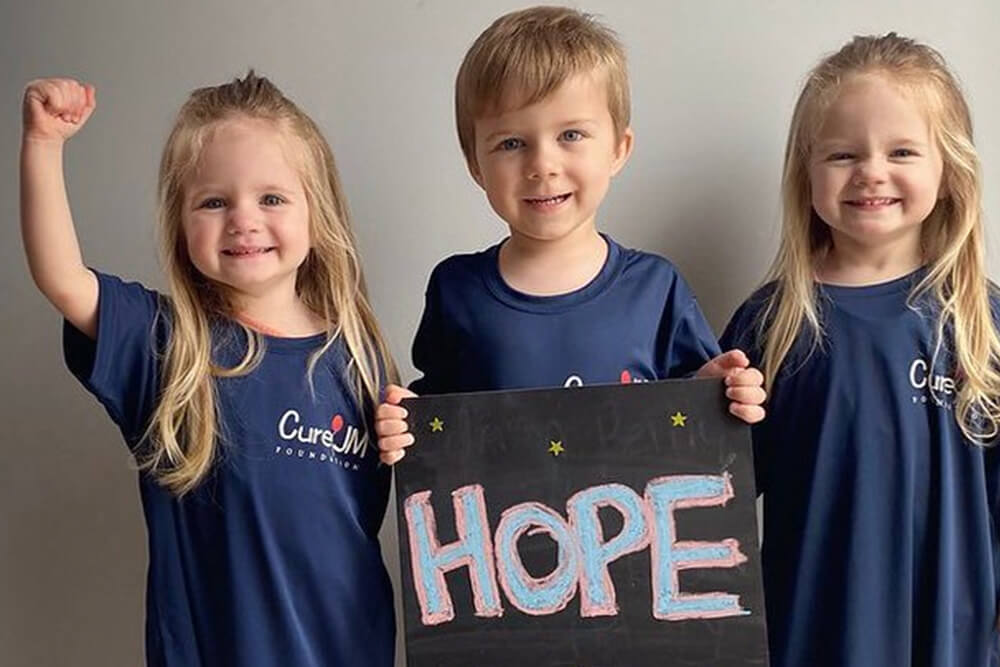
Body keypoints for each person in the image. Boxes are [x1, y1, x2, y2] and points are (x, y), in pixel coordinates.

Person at [20, 72, 397, 666]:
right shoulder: (165, 345)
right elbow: (63, 280)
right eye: (214, 201)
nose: (243, 219)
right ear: (181, 222)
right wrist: (44, 145)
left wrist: (410, 433)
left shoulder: (360, 357)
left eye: (271, 197)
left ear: (316, 213)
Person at [376, 6, 765, 465]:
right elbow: (437, 418)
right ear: (475, 164)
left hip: (632, 532)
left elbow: (693, 417)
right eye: (511, 143)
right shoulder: (455, 289)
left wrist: (721, 393)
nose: (543, 165)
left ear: (618, 149)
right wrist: (401, 425)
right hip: (509, 532)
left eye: (571, 135)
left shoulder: (656, 288)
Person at [721, 33, 1000, 667]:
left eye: (902, 150)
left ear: (949, 169)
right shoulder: (772, 323)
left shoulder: (985, 322)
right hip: (810, 634)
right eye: (844, 153)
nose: (872, 171)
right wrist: (709, 395)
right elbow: (710, 499)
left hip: (955, 638)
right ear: (808, 174)